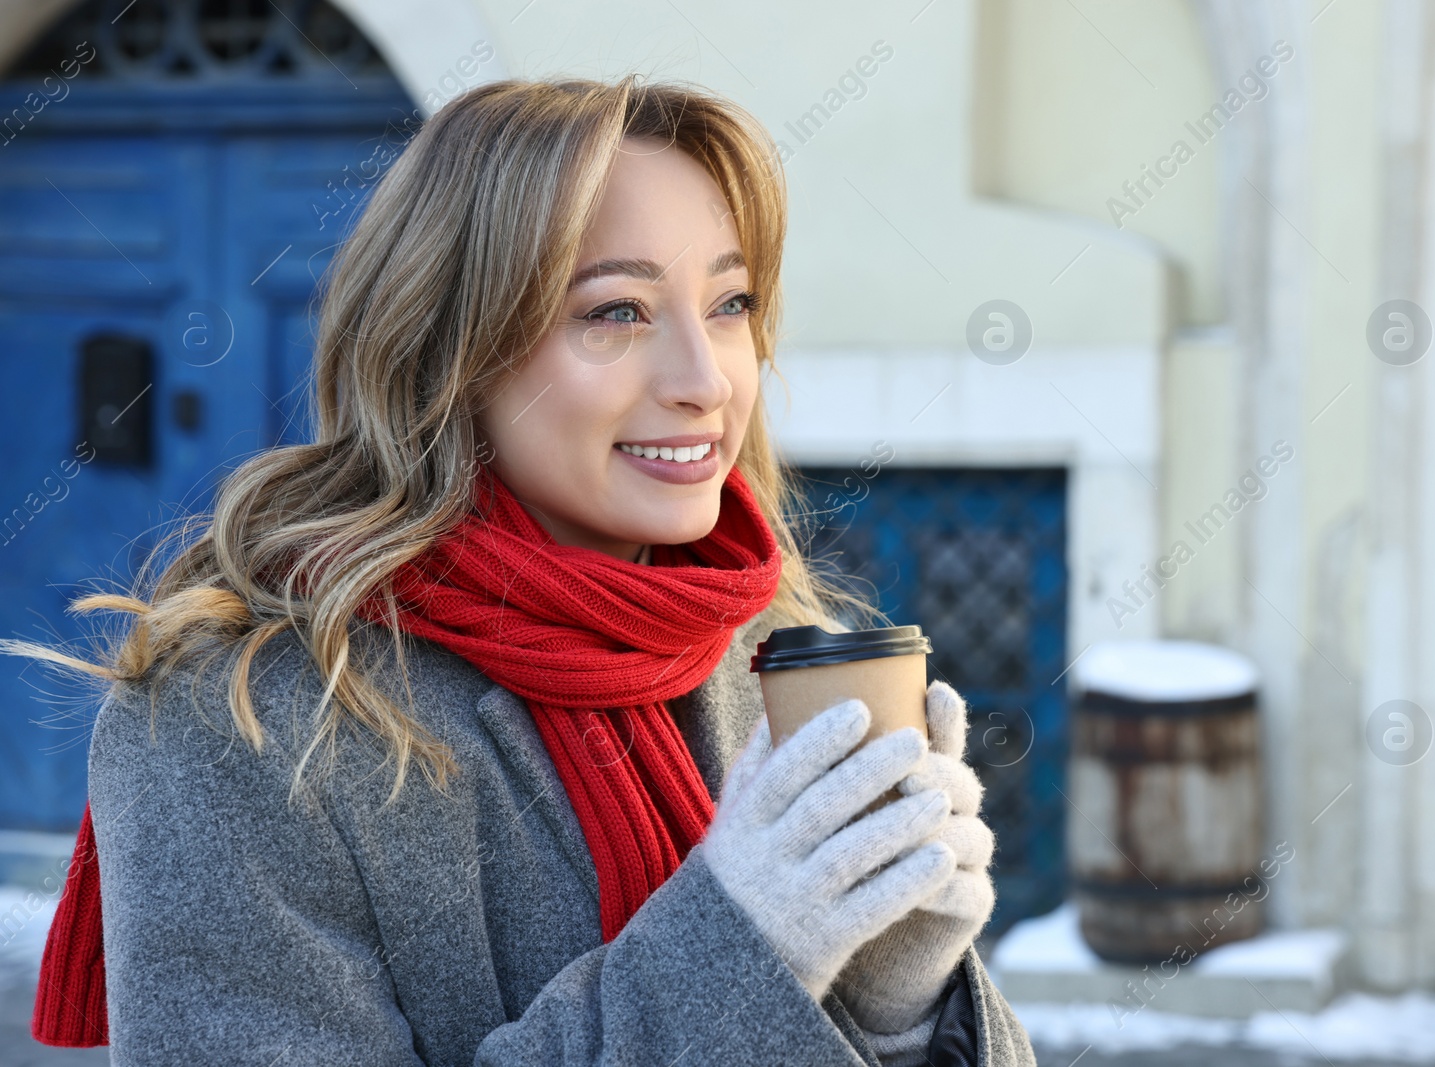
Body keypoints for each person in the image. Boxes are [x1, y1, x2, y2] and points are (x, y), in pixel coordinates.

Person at [4, 76, 1036, 1065]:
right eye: (616, 312)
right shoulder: (241, 719)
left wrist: (901, 1001)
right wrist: (741, 939)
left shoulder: (760, 654)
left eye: (731, 303)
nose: (704, 377)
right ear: (450, 352)